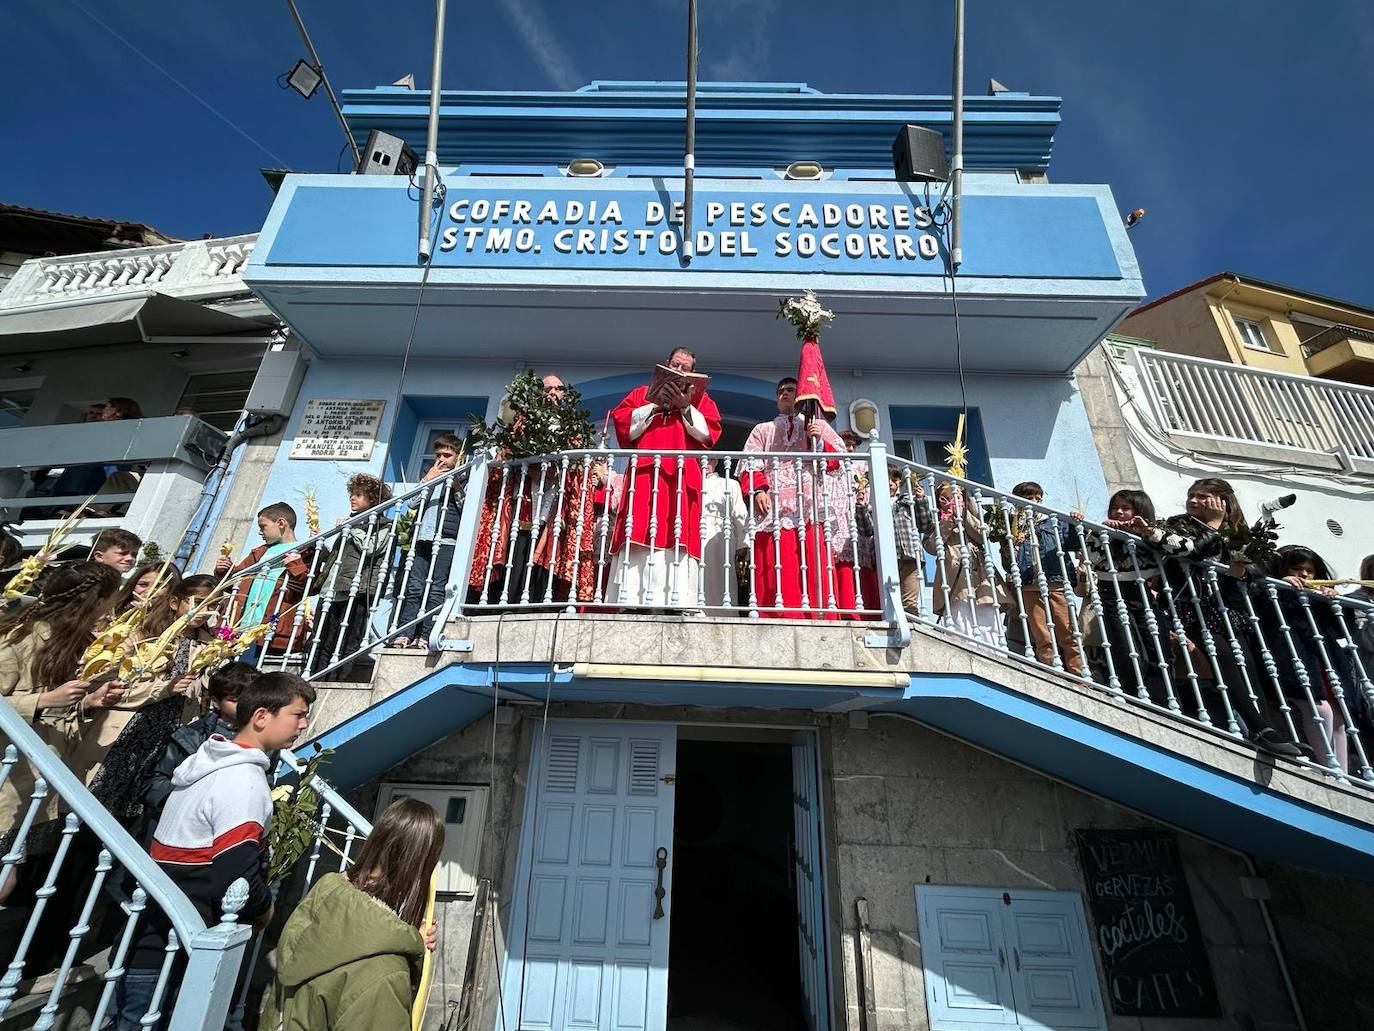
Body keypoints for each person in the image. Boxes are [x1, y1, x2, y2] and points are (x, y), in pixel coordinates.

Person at [118, 672, 314, 1030]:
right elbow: (235, 878)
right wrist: (263, 908)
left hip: (156, 932)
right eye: (297, 714)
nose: (303, 725)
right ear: (261, 717)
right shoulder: (241, 781)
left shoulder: (202, 766)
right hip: (192, 938)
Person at [259, 797, 443, 1031]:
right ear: (419, 868)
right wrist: (404, 942)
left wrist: (408, 937)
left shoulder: (325, 901)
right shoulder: (385, 973)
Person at [1149, 478, 1302, 757]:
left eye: (1202, 496)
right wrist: (1214, 524)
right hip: (1193, 606)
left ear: (1223, 501)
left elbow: (1260, 567)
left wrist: (1242, 571)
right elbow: (1192, 551)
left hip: (1229, 607)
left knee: (1250, 667)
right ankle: (1257, 728)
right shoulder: (1178, 524)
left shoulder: (1238, 531)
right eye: (1191, 495)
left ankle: (1271, 729)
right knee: (1226, 663)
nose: (1193, 501)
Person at [0, 563, 125, 901]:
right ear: (90, 603)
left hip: (38, 781)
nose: (111, 614)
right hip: (9, 777)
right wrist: (44, 699)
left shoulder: (67, 644)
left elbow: (57, 715)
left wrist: (88, 702)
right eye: (108, 604)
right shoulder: (21, 638)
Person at [85, 574, 222, 817]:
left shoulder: (209, 646)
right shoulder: (143, 634)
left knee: (137, 810)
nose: (205, 611)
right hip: (126, 730)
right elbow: (104, 683)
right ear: (174, 602)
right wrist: (163, 689)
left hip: (169, 734)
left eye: (212, 605)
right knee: (97, 802)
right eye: (198, 602)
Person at [608, 348, 722, 608]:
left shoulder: (701, 400)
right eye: (676, 365)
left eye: (685, 368)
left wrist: (686, 407)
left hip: (681, 479)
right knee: (638, 530)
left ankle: (677, 601)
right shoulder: (640, 394)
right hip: (647, 477)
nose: (679, 370)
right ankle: (632, 599)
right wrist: (655, 406)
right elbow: (624, 425)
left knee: (679, 532)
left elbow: (709, 435)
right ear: (665, 365)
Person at [740, 376, 850, 618]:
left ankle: (820, 616)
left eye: (791, 390)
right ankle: (777, 615)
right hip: (775, 503)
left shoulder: (818, 427)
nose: (785, 394)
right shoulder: (763, 429)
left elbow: (838, 462)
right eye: (781, 391)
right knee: (777, 563)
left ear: (800, 395)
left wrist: (818, 440)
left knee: (813, 562)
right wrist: (758, 490)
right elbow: (750, 463)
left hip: (810, 502)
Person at [1258, 546, 1361, 772]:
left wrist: (1331, 601)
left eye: (1309, 571)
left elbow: (1343, 630)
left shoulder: (1316, 598)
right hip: (1293, 661)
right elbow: (1265, 612)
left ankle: (1340, 775)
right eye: (1297, 569)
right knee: (1320, 710)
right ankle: (1329, 768)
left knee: (1338, 717)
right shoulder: (1273, 588)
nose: (1303, 575)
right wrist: (1282, 586)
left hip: (1323, 662)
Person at [137, 660, 257, 845]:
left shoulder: (262, 742)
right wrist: (186, 801)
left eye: (248, 699)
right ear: (216, 701)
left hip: (220, 834)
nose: (243, 706)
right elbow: (154, 782)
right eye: (234, 700)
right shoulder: (190, 735)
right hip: (173, 831)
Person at [1083, 489, 1170, 704]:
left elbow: (1169, 551)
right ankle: (1133, 696)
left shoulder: (1152, 532)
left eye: (1126, 508)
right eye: (1115, 508)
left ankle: (1161, 699)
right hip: (1112, 592)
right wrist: (1103, 533)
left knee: (1156, 646)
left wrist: (1147, 531)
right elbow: (1089, 558)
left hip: (1142, 592)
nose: (1119, 512)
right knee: (1124, 646)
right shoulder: (1103, 533)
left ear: (1139, 510)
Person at [309, 474, 394, 680]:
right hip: (333, 588)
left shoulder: (384, 525)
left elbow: (372, 548)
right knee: (321, 637)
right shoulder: (352, 525)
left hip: (358, 589)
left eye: (358, 495)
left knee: (348, 637)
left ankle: (337, 679)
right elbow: (337, 559)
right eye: (352, 495)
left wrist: (352, 527)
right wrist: (318, 546)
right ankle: (314, 676)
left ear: (373, 500)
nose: (352, 499)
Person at [217, 502, 315, 662]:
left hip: (273, 630)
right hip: (243, 627)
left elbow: (308, 587)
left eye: (263, 527)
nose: (260, 532)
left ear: (281, 523)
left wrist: (295, 565)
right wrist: (224, 571)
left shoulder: (305, 551)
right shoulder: (260, 552)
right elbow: (236, 584)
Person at [1004, 482, 1085, 676]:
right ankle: (1052, 673)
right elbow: (1009, 564)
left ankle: (1080, 675)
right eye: (1028, 498)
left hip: (1056, 581)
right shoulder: (1012, 526)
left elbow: (1073, 544)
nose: (1034, 502)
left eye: (1037, 498)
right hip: (1029, 584)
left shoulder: (1054, 522)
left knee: (1068, 631)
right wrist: (1009, 551)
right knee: (1042, 635)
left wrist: (1075, 523)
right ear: (1017, 502)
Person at [394, 433, 464, 648]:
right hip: (423, 537)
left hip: (446, 539)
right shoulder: (431, 475)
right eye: (438, 455)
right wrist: (428, 479)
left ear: (458, 458)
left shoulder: (464, 477)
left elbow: (466, 507)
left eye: (447, 455)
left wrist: (456, 487)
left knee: (436, 588)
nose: (441, 459)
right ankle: (406, 632)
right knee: (414, 587)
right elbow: (413, 503)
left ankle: (426, 634)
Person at [924, 482, 999, 643]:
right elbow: (931, 546)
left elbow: (983, 535)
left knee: (987, 620)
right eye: (947, 498)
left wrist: (963, 514)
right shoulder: (936, 522)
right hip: (953, 577)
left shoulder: (972, 516)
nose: (953, 500)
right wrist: (949, 520)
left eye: (957, 496)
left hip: (979, 576)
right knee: (960, 619)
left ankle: (994, 654)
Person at [701, 457, 747, 609]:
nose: (706, 464)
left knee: (722, 577)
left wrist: (742, 544)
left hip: (721, 534)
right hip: (696, 533)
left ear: (715, 462)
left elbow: (739, 514)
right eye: (701, 460)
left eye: (710, 460)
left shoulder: (730, 484)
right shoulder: (691, 482)